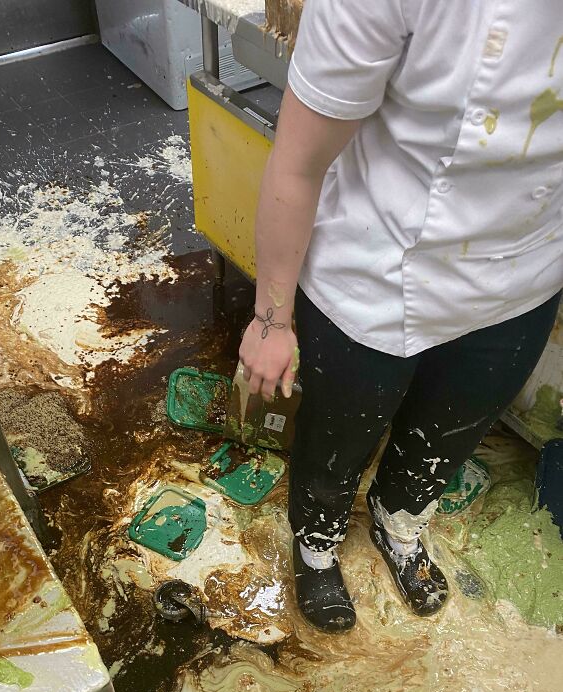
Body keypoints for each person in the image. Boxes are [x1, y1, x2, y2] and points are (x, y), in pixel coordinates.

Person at [238, 0, 563, 632]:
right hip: (379, 274)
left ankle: (398, 521)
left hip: (524, 277)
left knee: (451, 431)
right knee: (339, 437)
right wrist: (272, 321)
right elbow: (298, 163)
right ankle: (318, 541)